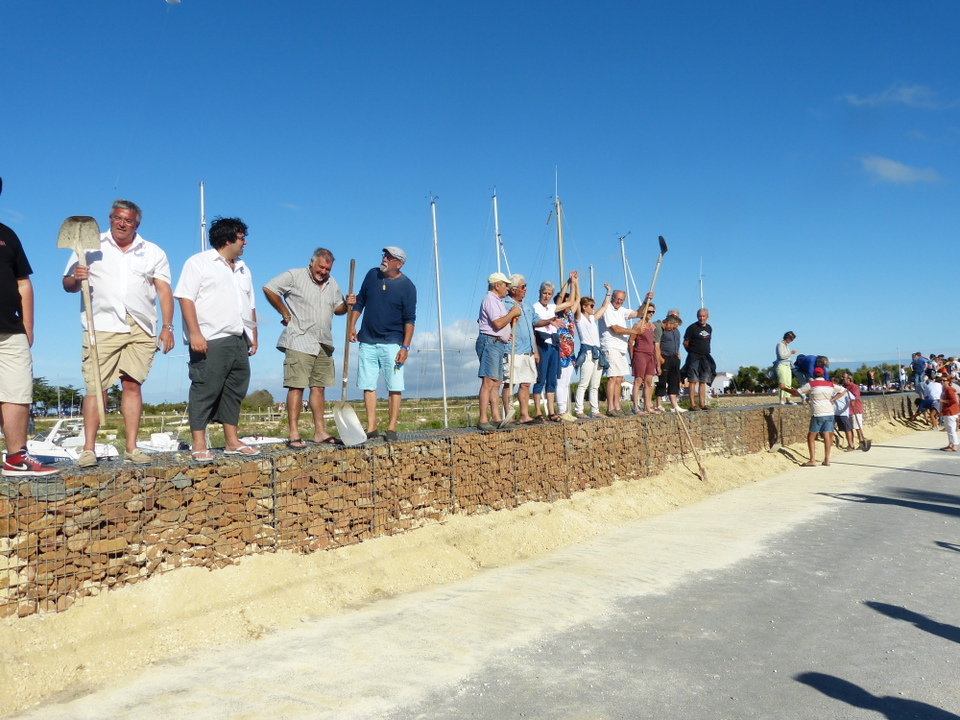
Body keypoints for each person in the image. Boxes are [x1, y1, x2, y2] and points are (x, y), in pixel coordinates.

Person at [62, 199, 175, 467]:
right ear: (110, 218)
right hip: (101, 324)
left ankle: (132, 447)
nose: (121, 223)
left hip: (141, 325)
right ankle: (88, 449)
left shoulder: (153, 251)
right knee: (95, 386)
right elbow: (67, 284)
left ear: (137, 224)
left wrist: (167, 327)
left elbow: (163, 291)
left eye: (128, 220)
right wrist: (76, 277)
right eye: (116, 218)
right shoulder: (89, 245)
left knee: (132, 384)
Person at [174, 216, 259, 462]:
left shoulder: (244, 268)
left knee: (234, 390)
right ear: (228, 238)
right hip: (209, 338)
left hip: (239, 338)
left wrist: (253, 335)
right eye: (242, 237)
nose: (245, 243)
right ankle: (198, 443)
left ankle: (232, 441)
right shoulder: (198, 263)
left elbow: (250, 304)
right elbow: (185, 298)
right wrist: (195, 334)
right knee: (204, 389)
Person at [263, 248, 353, 447]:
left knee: (319, 388)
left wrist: (347, 304)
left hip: (324, 342)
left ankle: (320, 432)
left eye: (327, 269)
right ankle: (294, 433)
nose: (324, 271)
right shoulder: (294, 276)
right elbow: (269, 288)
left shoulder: (332, 283)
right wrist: (285, 313)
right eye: (321, 267)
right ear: (312, 262)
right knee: (296, 386)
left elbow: (337, 309)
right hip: (299, 340)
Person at [0, 179, 57, 477]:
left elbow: (23, 282)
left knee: (17, 392)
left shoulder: (7, 235)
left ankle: (15, 458)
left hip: (11, 331)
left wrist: (28, 325)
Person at [347, 247, 417, 443]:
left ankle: (392, 427)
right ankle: (371, 427)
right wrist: (352, 325)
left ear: (399, 263)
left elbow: (410, 319)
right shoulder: (372, 275)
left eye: (389, 257)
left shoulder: (408, 287)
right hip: (367, 340)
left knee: (394, 386)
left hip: (393, 342)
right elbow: (360, 301)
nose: (384, 259)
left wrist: (405, 347)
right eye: (384, 255)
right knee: (367, 385)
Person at [476, 273, 521, 431]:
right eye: (505, 285)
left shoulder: (496, 302)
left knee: (496, 382)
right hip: (490, 342)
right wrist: (512, 314)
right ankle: (483, 419)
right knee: (488, 382)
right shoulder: (490, 300)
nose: (507, 288)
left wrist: (504, 335)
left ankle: (496, 417)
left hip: (496, 342)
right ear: (497, 285)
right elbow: (497, 323)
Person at [531, 275, 577, 422]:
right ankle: (538, 412)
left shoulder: (551, 307)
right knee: (540, 379)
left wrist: (570, 283)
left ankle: (551, 411)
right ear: (540, 293)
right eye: (544, 293)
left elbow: (570, 301)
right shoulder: (535, 307)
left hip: (554, 345)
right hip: (542, 343)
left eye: (549, 294)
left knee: (552, 380)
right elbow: (535, 324)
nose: (547, 296)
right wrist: (549, 321)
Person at [781, 367, 846, 467]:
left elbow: (796, 392)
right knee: (827, 435)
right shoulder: (830, 384)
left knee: (811, 436)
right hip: (829, 411)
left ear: (813, 375)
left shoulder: (811, 384)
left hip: (818, 412)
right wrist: (833, 399)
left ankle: (812, 460)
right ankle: (827, 459)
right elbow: (843, 390)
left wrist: (784, 388)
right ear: (823, 374)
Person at [599, 289, 649, 416]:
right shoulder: (607, 309)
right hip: (611, 346)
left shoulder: (622, 310)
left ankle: (617, 406)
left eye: (621, 300)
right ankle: (610, 407)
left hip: (620, 348)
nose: (619, 302)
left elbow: (638, 313)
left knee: (619, 378)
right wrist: (635, 332)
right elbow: (615, 329)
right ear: (613, 298)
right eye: (617, 299)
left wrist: (645, 301)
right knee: (613, 377)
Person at [501, 274, 539, 424]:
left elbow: (536, 321)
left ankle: (524, 415)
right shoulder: (504, 304)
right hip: (512, 349)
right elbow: (495, 321)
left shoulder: (528, 305)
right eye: (523, 287)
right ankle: (508, 415)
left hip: (527, 350)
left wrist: (551, 321)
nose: (526, 289)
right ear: (513, 289)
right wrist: (503, 334)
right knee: (510, 382)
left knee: (526, 382)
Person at [573, 284, 611, 418]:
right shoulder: (579, 318)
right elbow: (577, 299)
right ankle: (579, 410)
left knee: (595, 385)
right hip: (587, 352)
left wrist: (608, 293)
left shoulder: (591, 319)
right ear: (584, 307)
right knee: (584, 383)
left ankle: (595, 411)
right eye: (591, 305)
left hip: (597, 353)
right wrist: (576, 284)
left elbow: (604, 307)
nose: (593, 308)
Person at [681, 308, 716, 411]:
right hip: (694, 357)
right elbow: (685, 343)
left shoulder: (709, 328)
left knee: (703, 381)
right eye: (700, 316)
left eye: (703, 316)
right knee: (692, 381)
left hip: (705, 357)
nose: (701, 318)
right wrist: (692, 352)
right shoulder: (692, 328)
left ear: (707, 317)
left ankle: (702, 404)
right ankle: (692, 404)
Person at [628, 300, 659, 413]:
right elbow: (630, 341)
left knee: (649, 381)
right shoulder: (638, 325)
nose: (651, 313)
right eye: (649, 311)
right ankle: (636, 406)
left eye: (653, 312)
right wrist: (632, 357)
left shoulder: (652, 326)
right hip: (640, 354)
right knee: (638, 380)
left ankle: (647, 406)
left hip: (650, 356)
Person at [654, 313, 685, 413]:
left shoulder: (676, 331)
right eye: (673, 326)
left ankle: (674, 405)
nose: (673, 329)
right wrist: (660, 358)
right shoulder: (661, 329)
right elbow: (657, 345)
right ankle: (658, 404)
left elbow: (677, 344)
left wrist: (678, 356)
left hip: (675, 357)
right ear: (669, 323)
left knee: (674, 381)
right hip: (664, 357)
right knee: (662, 381)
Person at [841, 370, 870, 451]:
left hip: (855, 409)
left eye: (844, 377)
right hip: (847, 410)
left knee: (857, 427)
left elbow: (855, 396)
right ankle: (851, 444)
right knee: (849, 428)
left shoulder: (854, 387)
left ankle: (861, 442)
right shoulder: (843, 387)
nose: (842, 378)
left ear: (849, 378)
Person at [938, 369, 958, 452]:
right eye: (941, 380)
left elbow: (954, 401)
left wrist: (943, 401)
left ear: (948, 381)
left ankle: (954, 445)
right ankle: (950, 444)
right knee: (949, 429)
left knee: (951, 430)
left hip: (950, 412)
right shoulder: (946, 390)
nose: (942, 382)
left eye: (944, 380)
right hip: (948, 411)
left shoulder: (949, 390)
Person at [775, 332, 797, 405]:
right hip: (782, 364)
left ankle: (788, 399)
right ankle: (781, 399)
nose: (792, 341)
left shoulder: (786, 346)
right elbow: (781, 356)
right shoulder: (780, 345)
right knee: (782, 382)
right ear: (788, 338)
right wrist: (791, 353)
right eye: (791, 339)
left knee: (788, 382)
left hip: (788, 365)